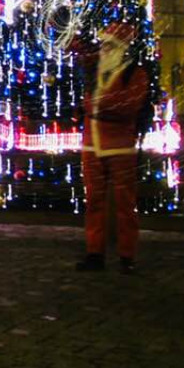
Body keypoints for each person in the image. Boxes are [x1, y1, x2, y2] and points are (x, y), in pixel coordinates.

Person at [70, 21, 149, 275]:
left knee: (125, 204)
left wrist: (93, 107)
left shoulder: (134, 74)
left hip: (120, 147)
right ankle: (95, 253)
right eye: (103, 45)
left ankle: (127, 256)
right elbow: (78, 50)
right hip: (92, 146)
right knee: (94, 201)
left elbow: (126, 105)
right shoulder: (95, 73)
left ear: (122, 49)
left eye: (109, 45)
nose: (104, 50)